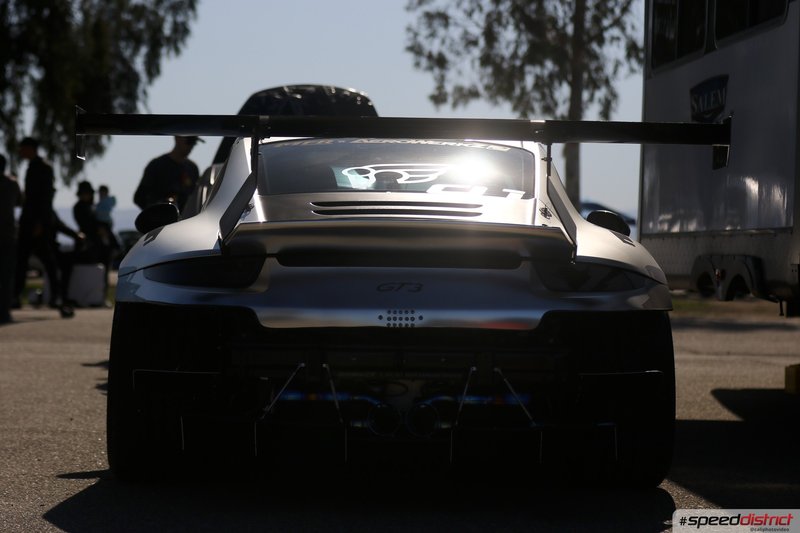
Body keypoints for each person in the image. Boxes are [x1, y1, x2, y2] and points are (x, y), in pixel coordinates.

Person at [13, 137, 72, 318]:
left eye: (22, 148)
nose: (20, 152)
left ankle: (57, 297)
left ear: (31, 149)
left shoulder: (43, 168)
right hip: (29, 221)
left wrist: (39, 223)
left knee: (47, 261)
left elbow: (45, 198)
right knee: (23, 260)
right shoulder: (33, 167)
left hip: (36, 223)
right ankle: (16, 295)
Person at [134, 136, 202, 213]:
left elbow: (195, 197)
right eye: (189, 141)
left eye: (194, 143)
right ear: (177, 138)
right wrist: (156, 213)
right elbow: (139, 198)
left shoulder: (192, 168)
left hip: (184, 221)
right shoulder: (157, 165)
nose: (191, 146)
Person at [0, 154, 22, 324]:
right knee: (6, 276)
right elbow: (20, 202)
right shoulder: (12, 183)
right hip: (8, 235)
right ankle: (4, 311)